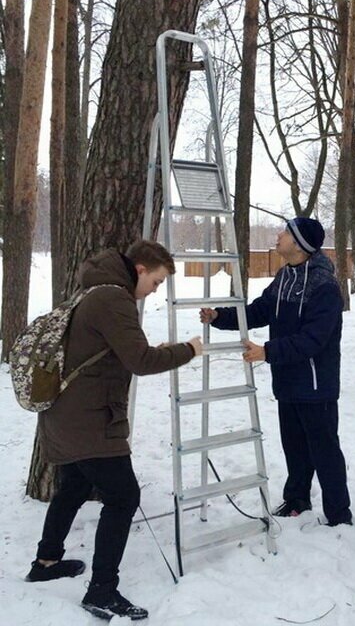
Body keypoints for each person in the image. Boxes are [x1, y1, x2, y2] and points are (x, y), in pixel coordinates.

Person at [26, 240, 203, 620]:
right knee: (123, 497)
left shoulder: (94, 289)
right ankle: (102, 591)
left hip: (68, 415)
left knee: (73, 485)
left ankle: (46, 562)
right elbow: (140, 360)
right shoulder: (113, 298)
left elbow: (116, 351)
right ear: (140, 269)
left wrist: (151, 350)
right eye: (156, 282)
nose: (155, 290)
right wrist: (188, 350)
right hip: (90, 420)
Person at [200, 217, 352, 526]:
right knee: (294, 447)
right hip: (287, 382)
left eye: (284, 232)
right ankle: (297, 499)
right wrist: (219, 316)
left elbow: (313, 340)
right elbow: (259, 310)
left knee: (324, 451)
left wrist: (267, 352)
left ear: (298, 243)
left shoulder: (324, 287)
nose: (278, 236)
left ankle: (339, 513)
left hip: (315, 385)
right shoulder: (285, 276)